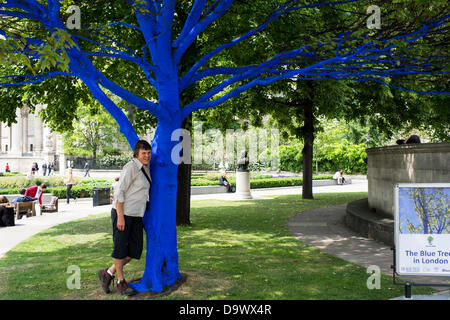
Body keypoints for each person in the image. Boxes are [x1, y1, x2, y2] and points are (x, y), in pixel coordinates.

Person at [98, 140, 152, 296]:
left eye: (148, 153)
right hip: (123, 213)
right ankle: (121, 282)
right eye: (143, 153)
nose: (147, 156)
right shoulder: (130, 168)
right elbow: (119, 193)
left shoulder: (146, 168)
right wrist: (120, 217)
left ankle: (108, 273)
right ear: (136, 154)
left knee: (135, 251)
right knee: (120, 249)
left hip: (136, 215)